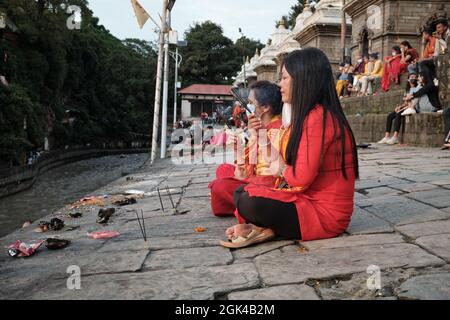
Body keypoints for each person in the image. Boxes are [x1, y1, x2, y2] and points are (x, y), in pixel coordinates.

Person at [221, 48, 359, 248]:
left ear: (303, 80)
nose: (280, 85)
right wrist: (260, 136)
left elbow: (298, 177)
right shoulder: (308, 116)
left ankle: (265, 228)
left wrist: (283, 170)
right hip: (306, 198)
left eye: (284, 78)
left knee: (249, 200)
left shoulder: (318, 117)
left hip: (324, 214)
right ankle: (264, 229)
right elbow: (285, 167)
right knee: (241, 193)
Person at [208, 81, 283, 217]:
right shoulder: (259, 126)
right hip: (252, 178)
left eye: (251, 103)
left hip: (266, 184)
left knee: (219, 186)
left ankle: (236, 202)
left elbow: (271, 174)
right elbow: (247, 167)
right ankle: (233, 200)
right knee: (223, 169)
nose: (246, 107)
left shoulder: (277, 130)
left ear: (265, 107)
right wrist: (238, 150)